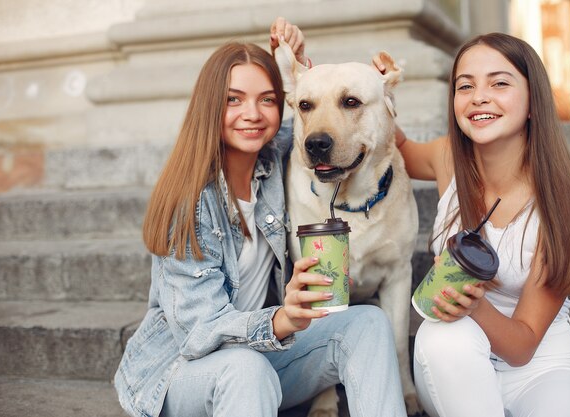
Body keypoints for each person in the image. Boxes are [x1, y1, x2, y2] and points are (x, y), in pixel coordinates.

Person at [114, 17, 408, 417]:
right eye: (233, 99)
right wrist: (282, 320)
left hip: (262, 358)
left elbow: (323, 130)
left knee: (370, 323)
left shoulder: (273, 163)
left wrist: (303, 69)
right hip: (178, 376)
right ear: (209, 107)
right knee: (245, 367)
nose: (251, 113)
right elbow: (199, 334)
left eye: (266, 99)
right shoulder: (188, 202)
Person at [384, 33, 570, 417]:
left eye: (500, 83)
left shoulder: (560, 203)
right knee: (446, 334)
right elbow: (398, 148)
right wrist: (373, 91)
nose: (479, 96)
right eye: (465, 86)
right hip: (450, 365)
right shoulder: (448, 159)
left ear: (532, 102)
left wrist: (474, 305)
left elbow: (523, 345)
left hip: (539, 365)